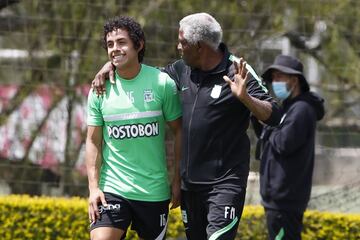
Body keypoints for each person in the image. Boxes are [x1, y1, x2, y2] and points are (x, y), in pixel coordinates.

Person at [92, 13, 281, 240]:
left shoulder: (237, 69)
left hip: (224, 185)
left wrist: (246, 99)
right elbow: (141, 76)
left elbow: (275, 115)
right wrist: (110, 65)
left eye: (182, 42)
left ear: (198, 46)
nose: (178, 46)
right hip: (190, 187)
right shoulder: (181, 70)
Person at [86, 16, 182, 240]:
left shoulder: (162, 83)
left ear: (139, 45)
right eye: (110, 44)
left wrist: (177, 179)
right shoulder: (99, 90)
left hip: (153, 192)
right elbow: (92, 141)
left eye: (121, 42)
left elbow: (180, 131)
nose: (114, 49)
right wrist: (93, 188)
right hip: (112, 189)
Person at [254, 55, 325, 240]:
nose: (275, 82)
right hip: (277, 199)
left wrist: (270, 126)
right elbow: (268, 137)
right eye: (273, 78)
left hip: (286, 199)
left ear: (294, 80)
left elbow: (284, 143)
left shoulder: (302, 110)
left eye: (279, 77)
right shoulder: (287, 108)